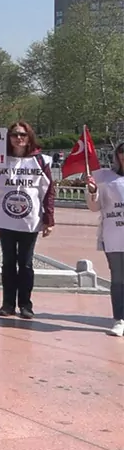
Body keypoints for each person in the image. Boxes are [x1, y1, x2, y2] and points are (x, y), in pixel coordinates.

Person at [0, 122, 55, 319]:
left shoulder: (41, 161)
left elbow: (48, 191)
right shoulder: (0, 161)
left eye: (23, 135)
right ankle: (7, 303)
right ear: (8, 138)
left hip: (30, 220)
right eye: (14, 134)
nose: (19, 138)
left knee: (25, 263)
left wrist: (49, 218)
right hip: (5, 219)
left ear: (29, 137)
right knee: (8, 261)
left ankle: (26, 304)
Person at [86, 142, 124, 336]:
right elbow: (95, 207)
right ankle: (119, 318)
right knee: (118, 279)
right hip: (114, 237)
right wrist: (93, 192)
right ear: (116, 155)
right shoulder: (105, 178)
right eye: (121, 151)